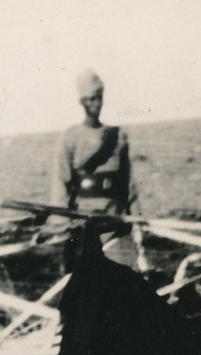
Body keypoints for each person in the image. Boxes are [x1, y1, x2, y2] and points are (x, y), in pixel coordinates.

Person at [49, 68, 143, 268]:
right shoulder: (70, 137)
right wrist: (61, 224)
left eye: (99, 98)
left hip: (115, 221)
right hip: (84, 223)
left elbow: (129, 184)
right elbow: (61, 183)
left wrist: (138, 219)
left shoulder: (118, 137)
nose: (96, 104)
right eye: (90, 99)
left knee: (125, 280)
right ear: (82, 102)